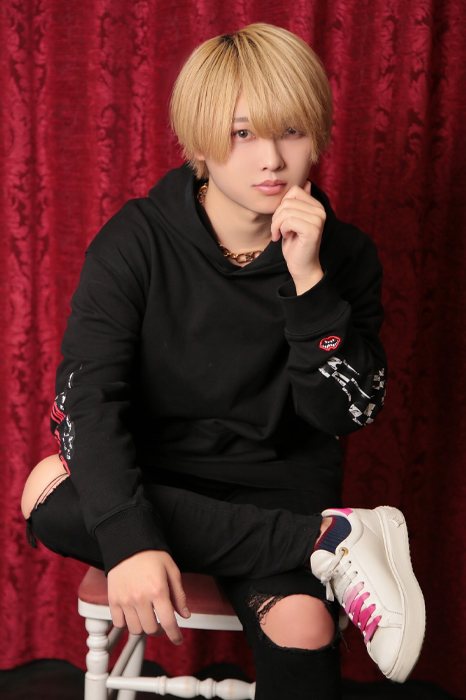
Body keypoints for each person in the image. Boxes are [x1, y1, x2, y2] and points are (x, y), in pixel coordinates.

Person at [21, 23, 425, 700]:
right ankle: (329, 540)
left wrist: (309, 286)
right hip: (158, 473)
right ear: (201, 143)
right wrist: (130, 540)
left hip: (278, 483)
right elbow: (88, 399)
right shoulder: (135, 241)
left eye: (291, 132)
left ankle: (321, 537)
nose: (271, 160)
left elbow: (348, 412)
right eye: (242, 134)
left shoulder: (346, 255)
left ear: (318, 136)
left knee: (304, 628)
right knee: (46, 494)